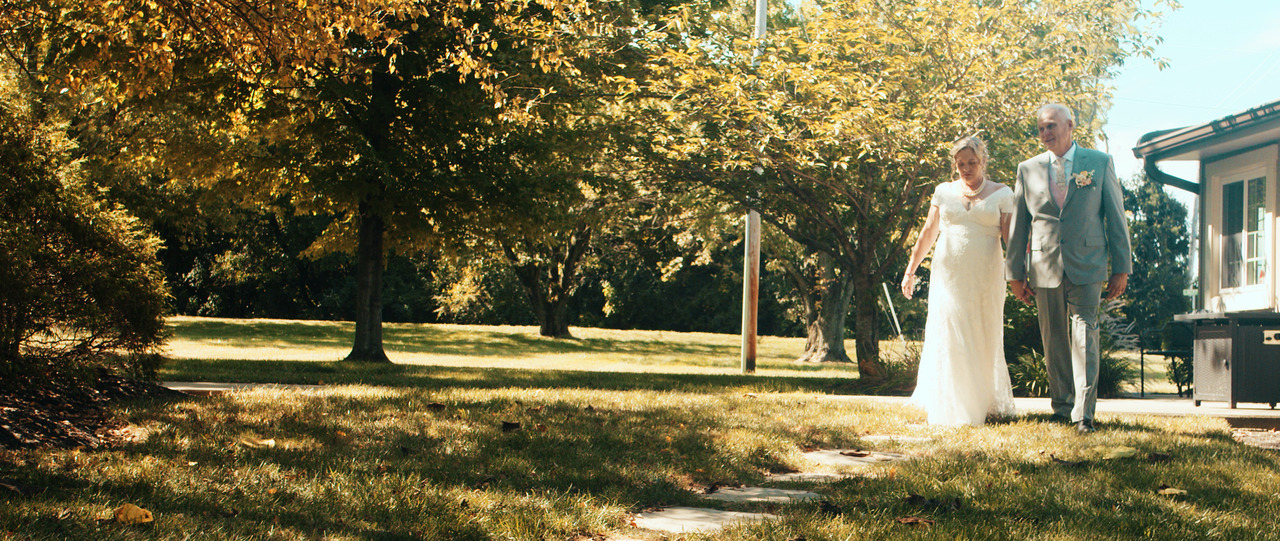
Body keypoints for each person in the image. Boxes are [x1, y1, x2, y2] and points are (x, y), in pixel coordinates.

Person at [1005, 104, 1132, 434]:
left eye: (1051, 126)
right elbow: (1019, 225)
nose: (1046, 133)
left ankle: (1083, 414)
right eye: (1041, 129)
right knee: (1054, 339)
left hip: (1088, 264)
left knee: (1085, 336)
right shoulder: (1028, 169)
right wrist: (1014, 274)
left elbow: (1116, 217)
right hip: (1043, 265)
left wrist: (1122, 267)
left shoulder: (1099, 163)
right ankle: (1062, 407)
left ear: (1070, 125)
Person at [901, 135, 1017, 427]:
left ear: (984, 162)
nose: (966, 169)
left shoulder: (1003, 194)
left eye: (972, 163)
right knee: (950, 333)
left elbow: (1011, 240)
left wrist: (1020, 276)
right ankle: (949, 403)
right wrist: (910, 269)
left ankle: (977, 403)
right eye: (961, 164)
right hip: (948, 274)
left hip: (985, 276)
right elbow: (928, 232)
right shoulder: (943, 191)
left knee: (980, 332)